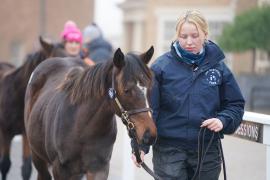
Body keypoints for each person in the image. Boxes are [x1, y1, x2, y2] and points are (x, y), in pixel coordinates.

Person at [132, 10, 245, 180]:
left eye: (195, 35)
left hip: (207, 151)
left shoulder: (219, 68)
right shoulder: (160, 67)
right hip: (168, 152)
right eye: (183, 36)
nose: (189, 42)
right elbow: (147, 111)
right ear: (177, 36)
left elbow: (235, 104)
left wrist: (223, 120)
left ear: (205, 35)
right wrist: (140, 146)